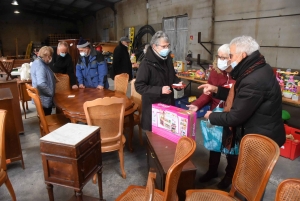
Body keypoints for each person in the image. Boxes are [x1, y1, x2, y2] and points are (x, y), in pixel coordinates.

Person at [200, 36, 286, 189]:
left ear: (243, 55)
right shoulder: (258, 68)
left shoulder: (253, 78)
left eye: (231, 55)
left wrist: (211, 116)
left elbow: (235, 116)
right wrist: (216, 90)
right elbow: (243, 99)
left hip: (261, 139)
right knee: (250, 179)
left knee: (253, 184)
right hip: (259, 132)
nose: (229, 59)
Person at [186, 44, 237, 189]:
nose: (220, 60)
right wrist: (197, 104)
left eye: (224, 57)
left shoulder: (239, 74)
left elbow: (238, 96)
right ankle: (212, 170)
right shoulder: (215, 72)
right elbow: (207, 93)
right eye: (219, 57)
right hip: (214, 112)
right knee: (214, 144)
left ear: (232, 58)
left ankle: (229, 176)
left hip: (231, 115)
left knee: (231, 147)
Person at [135, 31, 183, 131]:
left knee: (168, 133)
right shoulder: (146, 64)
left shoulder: (167, 60)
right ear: (154, 46)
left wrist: (177, 83)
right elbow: (139, 86)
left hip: (168, 103)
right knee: (154, 139)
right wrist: (159, 90)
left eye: (168, 46)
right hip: (153, 107)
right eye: (164, 46)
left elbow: (172, 76)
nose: (167, 49)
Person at [30, 46, 55, 116]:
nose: (50, 59)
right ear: (47, 56)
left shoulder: (37, 62)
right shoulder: (40, 66)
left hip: (42, 98)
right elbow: (41, 84)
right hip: (44, 99)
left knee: (43, 118)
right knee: (46, 117)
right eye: (50, 56)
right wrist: (51, 93)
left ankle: (43, 126)